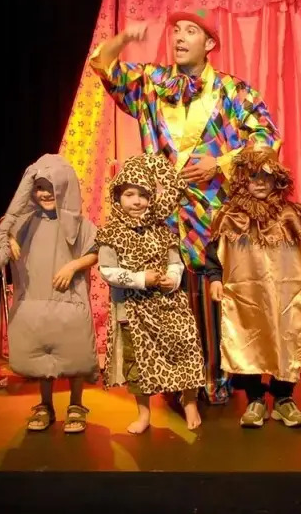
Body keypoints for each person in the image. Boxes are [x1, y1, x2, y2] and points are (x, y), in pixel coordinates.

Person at [90, 9, 280, 403]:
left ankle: (218, 377)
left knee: (213, 296)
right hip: (161, 213)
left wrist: (221, 163)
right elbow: (104, 66)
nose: (178, 37)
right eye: (176, 30)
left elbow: (267, 139)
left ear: (209, 43)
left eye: (190, 31)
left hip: (214, 211)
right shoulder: (151, 83)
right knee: (166, 294)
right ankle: (174, 380)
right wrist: (124, 38)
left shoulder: (232, 91)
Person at [0, 154, 99, 434]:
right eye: (39, 187)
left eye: (51, 187)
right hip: (35, 298)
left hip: (69, 299)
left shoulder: (80, 224)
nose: (45, 193)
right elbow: (3, 230)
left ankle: (76, 404)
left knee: (73, 351)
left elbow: (94, 251)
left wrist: (73, 266)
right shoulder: (26, 223)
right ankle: (45, 405)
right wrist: (10, 238)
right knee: (43, 352)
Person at [203, 145, 301, 428]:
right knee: (248, 338)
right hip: (246, 294)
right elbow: (214, 251)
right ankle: (255, 398)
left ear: (277, 180)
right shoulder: (230, 216)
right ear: (242, 179)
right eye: (253, 176)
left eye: (267, 177)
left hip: (285, 294)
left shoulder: (290, 215)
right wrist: (215, 277)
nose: (260, 183)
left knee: (286, 336)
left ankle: (283, 397)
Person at [96, 154, 205, 433]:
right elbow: (107, 271)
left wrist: (172, 278)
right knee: (138, 365)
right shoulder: (111, 233)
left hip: (169, 306)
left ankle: (189, 401)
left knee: (185, 347)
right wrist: (140, 279)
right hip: (132, 312)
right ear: (117, 196)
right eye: (129, 194)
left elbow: (175, 262)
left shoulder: (162, 230)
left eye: (143, 195)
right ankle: (144, 414)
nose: (137, 201)